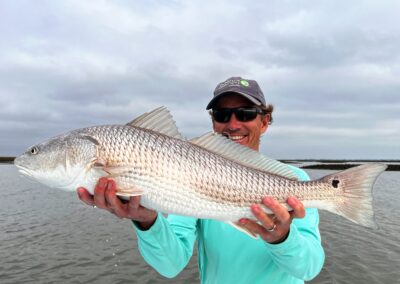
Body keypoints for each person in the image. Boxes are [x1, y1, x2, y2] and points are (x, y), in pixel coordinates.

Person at [77, 76, 325, 283]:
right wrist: (147, 221)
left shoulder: (296, 180)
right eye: (222, 114)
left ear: (265, 122)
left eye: (246, 113)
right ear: (213, 122)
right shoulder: (191, 175)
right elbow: (170, 264)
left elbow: (309, 268)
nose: (233, 123)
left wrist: (281, 238)